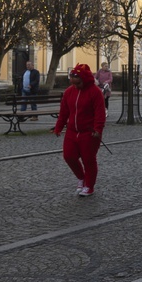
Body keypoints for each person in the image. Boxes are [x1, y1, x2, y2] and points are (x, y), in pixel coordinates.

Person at [53, 64, 106, 196]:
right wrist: (58, 126)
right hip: (72, 131)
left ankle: (89, 185)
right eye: (74, 83)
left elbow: (100, 113)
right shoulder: (69, 92)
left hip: (89, 132)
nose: (76, 86)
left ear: (85, 80)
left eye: (79, 83)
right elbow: (64, 112)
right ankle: (81, 178)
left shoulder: (95, 92)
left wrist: (97, 129)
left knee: (89, 160)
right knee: (69, 156)